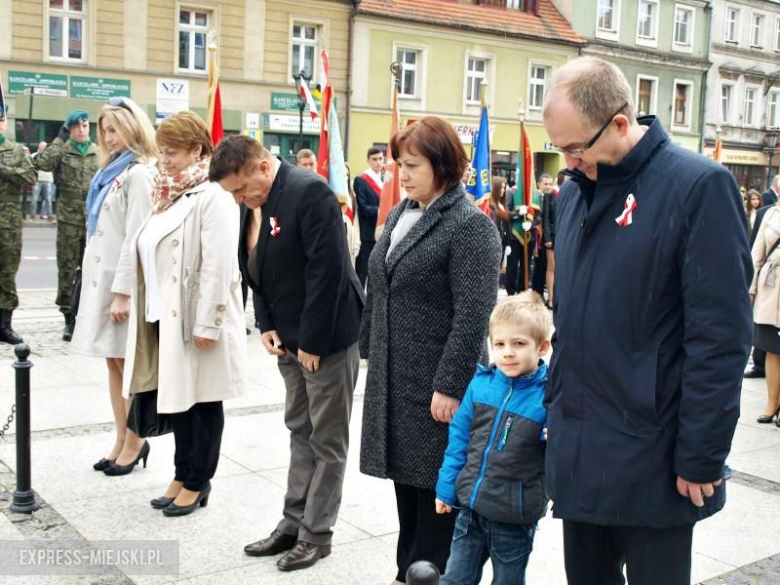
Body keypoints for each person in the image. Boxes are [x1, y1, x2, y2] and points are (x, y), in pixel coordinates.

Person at [542, 56, 751, 585]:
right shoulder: (573, 193)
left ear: (618, 122)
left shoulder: (699, 187)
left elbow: (720, 338)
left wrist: (702, 454)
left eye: (574, 148)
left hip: (654, 454)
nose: (567, 163)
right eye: (559, 149)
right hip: (581, 448)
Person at [209, 135, 364, 571]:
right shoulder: (251, 199)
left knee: (327, 439)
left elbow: (328, 272)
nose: (238, 199)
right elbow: (256, 265)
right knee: (299, 429)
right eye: (233, 194)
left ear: (262, 167)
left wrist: (312, 343)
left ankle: (317, 534)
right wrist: (267, 323)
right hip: (288, 337)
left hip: (326, 339)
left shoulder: (308, 191)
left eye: (240, 189)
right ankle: (292, 522)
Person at [359, 116, 502, 583]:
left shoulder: (469, 226)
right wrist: (368, 348)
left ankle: (432, 573)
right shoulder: (403, 212)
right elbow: (380, 284)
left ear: (443, 165)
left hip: (436, 387)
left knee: (437, 494)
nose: (402, 173)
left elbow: (472, 315)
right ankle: (407, 571)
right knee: (408, 488)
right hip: (397, 379)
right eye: (399, 163)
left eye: (413, 164)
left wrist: (450, 384)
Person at [120, 111, 247, 513]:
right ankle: (180, 472)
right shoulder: (167, 193)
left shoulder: (213, 196)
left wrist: (208, 321)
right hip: (164, 314)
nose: (165, 161)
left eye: (172, 152)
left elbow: (219, 265)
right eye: (162, 152)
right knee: (176, 399)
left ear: (197, 150)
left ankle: (198, 480)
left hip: (196, 317)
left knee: (203, 402)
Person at [435, 292, 551, 585]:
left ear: (542, 346)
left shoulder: (550, 399)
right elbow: (459, 441)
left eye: (519, 343)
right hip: (470, 512)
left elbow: (559, 457)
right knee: (455, 579)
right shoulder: (480, 385)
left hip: (514, 518)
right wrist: (446, 488)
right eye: (499, 344)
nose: (507, 353)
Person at [70, 97, 158, 474]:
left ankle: (136, 440)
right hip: (102, 280)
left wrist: (123, 290)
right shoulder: (109, 171)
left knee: (127, 365)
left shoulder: (138, 173)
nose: (109, 137)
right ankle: (121, 436)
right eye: (105, 130)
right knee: (112, 362)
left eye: (115, 129)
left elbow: (136, 236)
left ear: (133, 127)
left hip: (122, 286)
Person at [36, 110, 99, 341]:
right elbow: (43, 163)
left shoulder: (98, 152)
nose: (82, 130)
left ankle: (87, 316)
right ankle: (68, 319)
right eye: (77, 127)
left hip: (92, 219)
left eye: (85, 126)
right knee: (67, 269)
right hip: (68, 219)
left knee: (91, 269)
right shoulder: (61, 151)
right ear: (69, 129)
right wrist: (59, 139)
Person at [0, 108, 37, 345]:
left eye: (1, 120)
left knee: (7, 273)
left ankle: (4, 325)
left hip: (8, 221)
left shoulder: (16, 150)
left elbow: (30, 176)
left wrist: (5, 171)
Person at [749, 198, 780, 426]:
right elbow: (757, 253)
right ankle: (772, 402)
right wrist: (750, 289)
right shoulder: (770, 214)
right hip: (771, 287)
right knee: (772, 348)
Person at [354, 146, 385, 287]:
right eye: (374, 159)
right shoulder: (361, 180)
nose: (378, 162)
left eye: (380, 159)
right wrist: (382, 211)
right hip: (367, 232)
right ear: (368, 160)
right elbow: (363, 207)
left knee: (378, 271)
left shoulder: (386, 179)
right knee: (363, 270)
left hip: (383, 231)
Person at [542, 171, 563, 307]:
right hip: (552, 235)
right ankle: (550, 298)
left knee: (561, 267)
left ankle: (559, 297)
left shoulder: (569, 194)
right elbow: (546, 218)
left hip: (564, 234)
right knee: (552, 266)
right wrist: (547, 237)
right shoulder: (550, 195)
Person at [530, 173, 553, 299]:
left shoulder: (552, 197)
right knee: (537, 267)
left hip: (548, 236)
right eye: (545, 184)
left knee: (545, 266)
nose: (548, 187)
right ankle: (536, 294)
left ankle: (542, 294)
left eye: (550, 184)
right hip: (536, 236)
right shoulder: (535, 197)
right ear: (539, 184)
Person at [31, 142, 55, 221]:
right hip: (37, 180)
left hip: (48, 180)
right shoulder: (35, 156)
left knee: (48, 199)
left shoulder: (50, 156)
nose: (44, 148)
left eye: (45, 147)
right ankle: (32, 215)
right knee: (34, 198)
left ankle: (49, 215)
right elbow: (31, 165)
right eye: (42, 147)